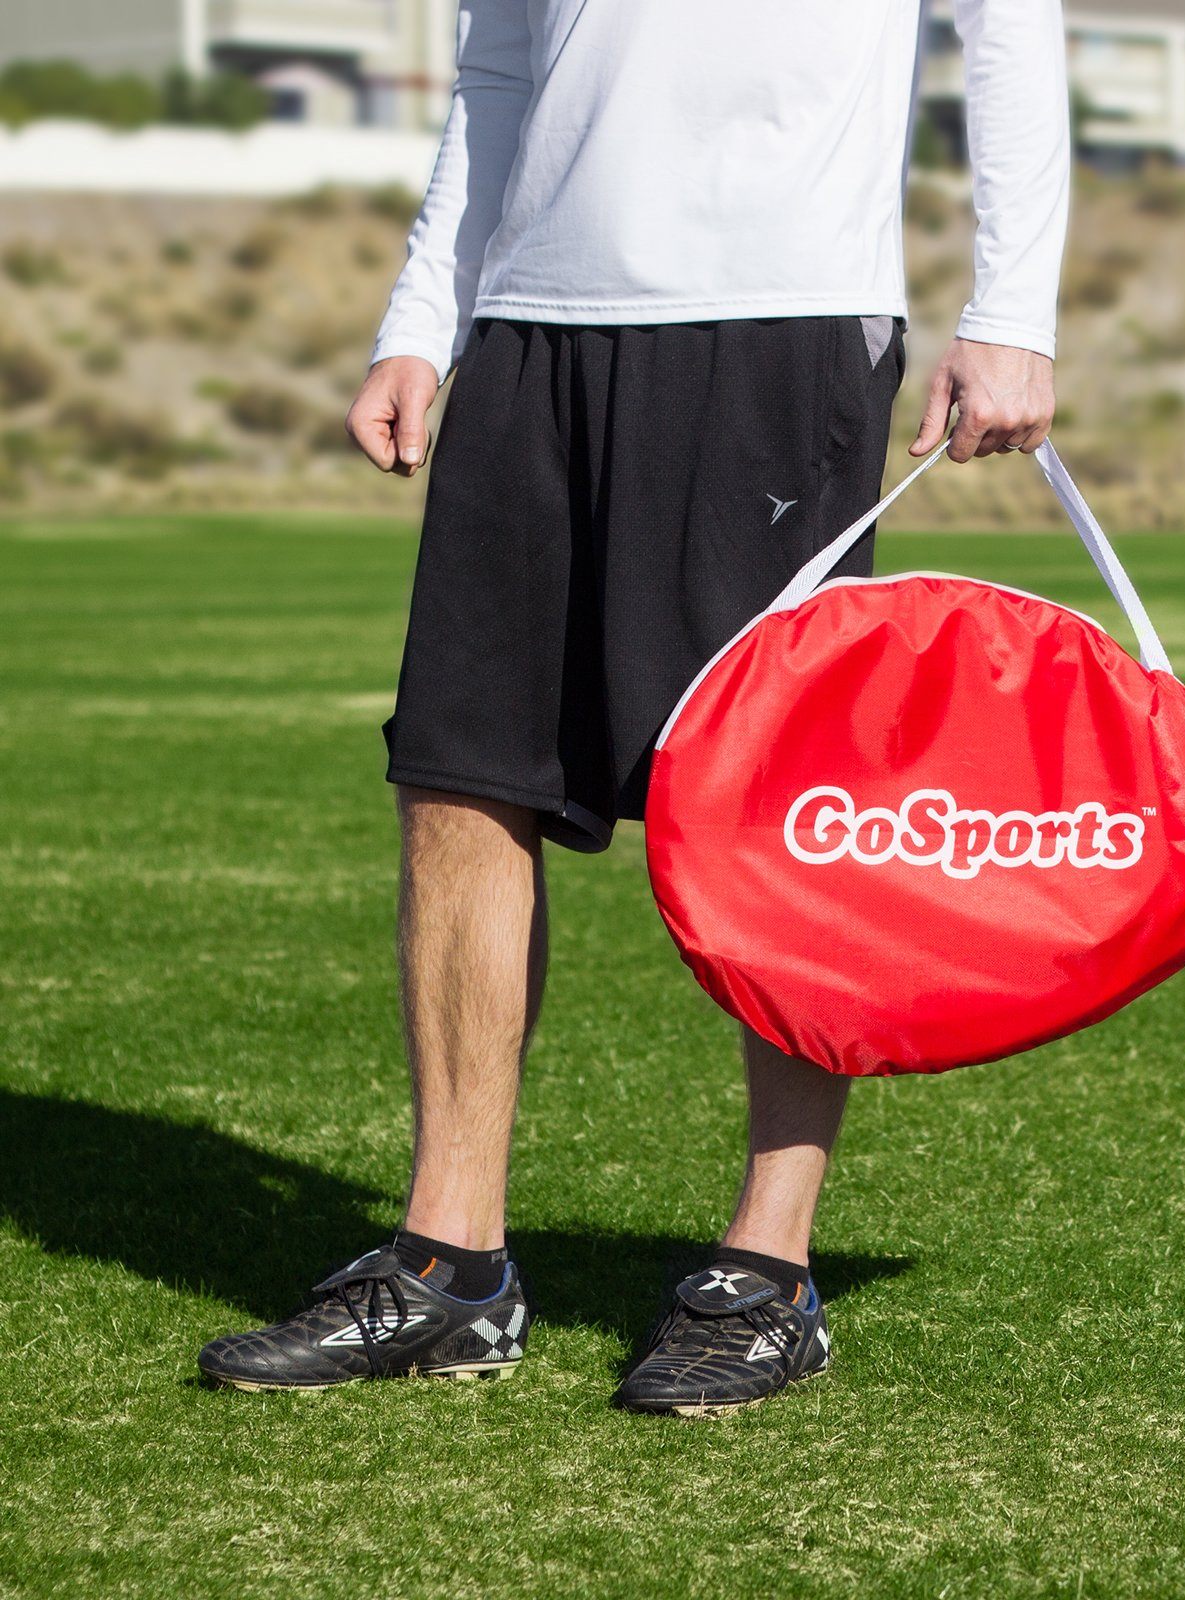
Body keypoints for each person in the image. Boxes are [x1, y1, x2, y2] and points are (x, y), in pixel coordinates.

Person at [198, 0, 1070, 1412]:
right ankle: (449, 1264)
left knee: (776, 802)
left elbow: (1011, 27)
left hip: (778, 321)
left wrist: (1012, 311)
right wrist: (424, 316)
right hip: (531, 331)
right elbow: (495, 63)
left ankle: (768, 1271)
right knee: (461, 779)